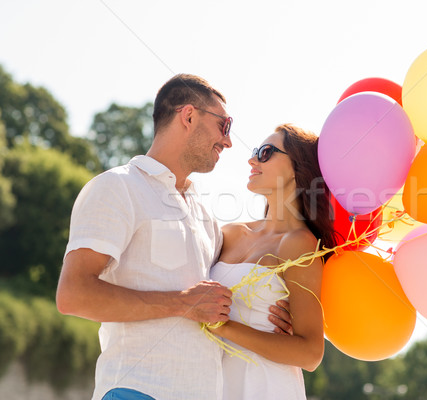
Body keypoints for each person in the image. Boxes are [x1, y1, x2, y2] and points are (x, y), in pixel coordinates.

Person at [56, 74, 292, 400]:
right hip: (135, 390)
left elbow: (221, 296)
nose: (228, 141)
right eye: (224, 126)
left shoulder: (206, 218)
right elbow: (73, 294)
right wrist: (183, 303)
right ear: (189, 116)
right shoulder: (117, 187)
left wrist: (274, 316)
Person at [209, 124, 337, 400]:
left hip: (265, 387)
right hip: (215, 385)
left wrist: (224, 326)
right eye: (256, 152)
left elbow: (310, 353)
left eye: (266, 152)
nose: (252, 160)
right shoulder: (230, 233)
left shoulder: (298, 244)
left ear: (297, 169)